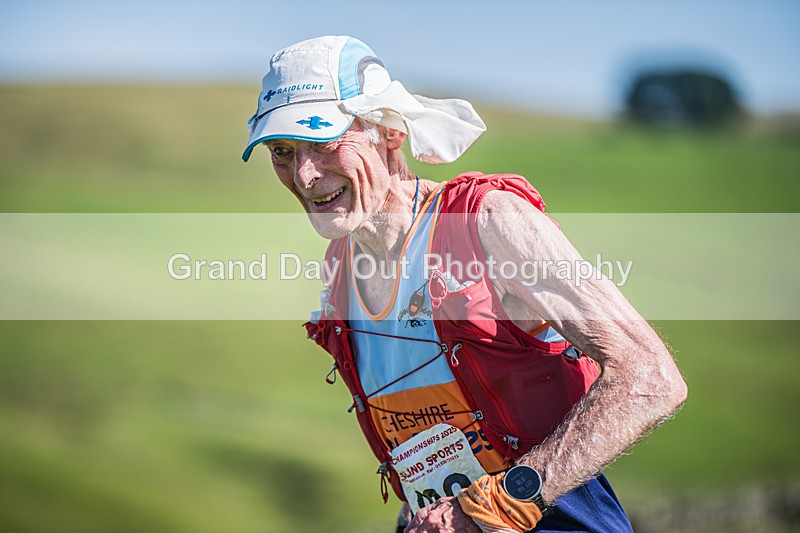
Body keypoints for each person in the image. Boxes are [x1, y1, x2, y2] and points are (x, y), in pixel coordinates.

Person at [242, 36, 687, 533]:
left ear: (388, 131)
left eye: (323, 142)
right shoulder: (341, 264)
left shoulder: (486, 220)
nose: (303, 175)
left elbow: (650, 378)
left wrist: (502, 502)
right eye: (282, 151)